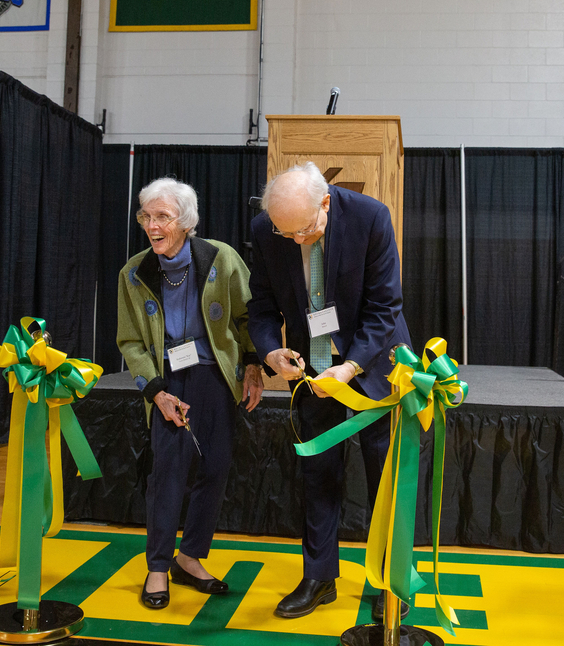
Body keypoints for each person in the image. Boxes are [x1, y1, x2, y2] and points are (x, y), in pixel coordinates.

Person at [247, 162, 412, 619]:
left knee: (386, 477)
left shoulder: (370, 217)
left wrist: (352, 366)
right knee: (318, 473)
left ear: (325, 202)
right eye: (286, 234)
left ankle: (390, 582)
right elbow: (260, 304)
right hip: (312, 367)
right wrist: (270, 354)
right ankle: (320, 577)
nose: (296, 240)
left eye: (304, 229)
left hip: (374, 364)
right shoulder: (268, 228)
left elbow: (385, 306)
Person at [117, 177, 264, 609]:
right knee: (168, 472)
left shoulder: (222, 259)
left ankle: (190, 557)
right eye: (147, 216)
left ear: (185, 221)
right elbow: (129, 342)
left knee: (214, 468)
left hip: (215, 376)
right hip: (166, 381)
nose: (152, 225)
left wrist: (253, 365)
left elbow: (247, 315)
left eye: (163, 216)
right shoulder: (132, 272)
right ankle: (158, 567)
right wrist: (156, 392)